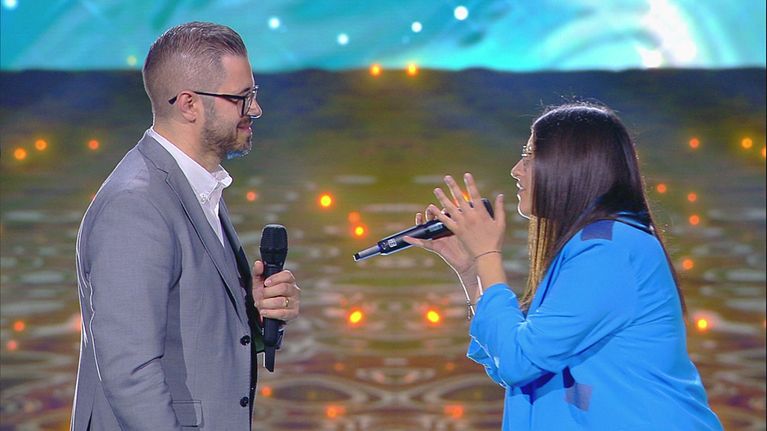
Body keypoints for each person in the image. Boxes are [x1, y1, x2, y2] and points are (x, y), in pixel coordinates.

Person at [405, 103, 723, 430]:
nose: (516, 170)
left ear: (573, 164)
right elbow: (508, 359)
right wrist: (473, 273)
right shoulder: (588, 246)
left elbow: (519, 362)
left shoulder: (608, 250)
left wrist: (488, 254)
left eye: (529, 156)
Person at [70, 22, 301, 430]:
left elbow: (189, 327)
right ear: (189, 104)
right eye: (242, 98)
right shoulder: (136, 205)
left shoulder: (194, 186)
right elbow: (130, 373)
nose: (255, 110)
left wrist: (251, 311)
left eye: (253, 95)